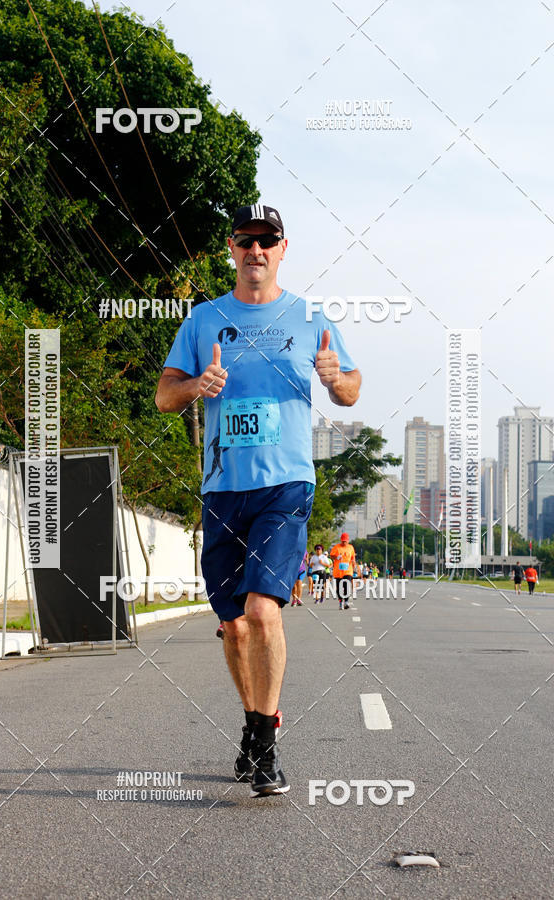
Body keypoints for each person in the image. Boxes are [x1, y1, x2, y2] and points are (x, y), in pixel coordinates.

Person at [155, 203, 360, 797]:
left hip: (285, 486)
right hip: (222, 487)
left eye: (267, 242)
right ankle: (255, 723)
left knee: (264, 611)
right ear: (232, 247)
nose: (256, 252)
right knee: (235, 628)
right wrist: (197, 386)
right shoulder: (202, 321)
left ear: (282, 249)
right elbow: (166, 396)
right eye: (246, 241)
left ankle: (266, 749)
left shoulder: (309, 318)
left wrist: (332, 377)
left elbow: (350, 390)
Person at [329, 533, 356, 609]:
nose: (344, 542)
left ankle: (346, 602)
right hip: (338, 571)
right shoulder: (336, 547)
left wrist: (354, 563)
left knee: (347, 585)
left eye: (345, 541)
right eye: (343, 541)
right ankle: (341, 602)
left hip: (348, 570)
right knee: (339, 587)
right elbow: (331, 555)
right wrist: (336, 557)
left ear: (348, 540)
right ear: (341, 540)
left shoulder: (351, 547)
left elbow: (353, 557)